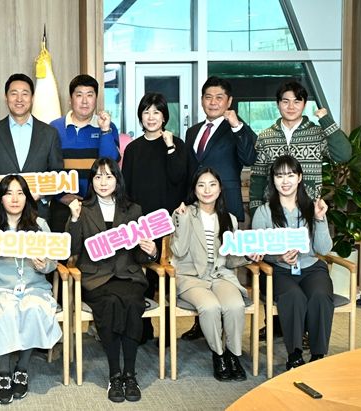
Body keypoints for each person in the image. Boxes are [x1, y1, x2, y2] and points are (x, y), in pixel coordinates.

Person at [67, 157, 157, 403]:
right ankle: (115, 374)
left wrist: (151, 251)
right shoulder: (83, 209)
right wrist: (73, 219)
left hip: (128, 275)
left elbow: (140, 255)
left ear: (118, 179)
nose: (103, 182)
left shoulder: (133, 210)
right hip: (96, 278)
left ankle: (130, 374)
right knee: (111, 304)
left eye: (109, 176)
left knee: (132, 303)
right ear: (91, 181)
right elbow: (71, 250)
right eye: (98, 177)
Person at [0, 174, 62, 405]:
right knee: (4, 310)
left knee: (33, 308)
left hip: (34, 288)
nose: (14, 199)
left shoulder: (40, 225)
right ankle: (3, 372)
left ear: (27, 198)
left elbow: (53, 261)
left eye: (20, 193)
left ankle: (22, 368)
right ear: (1, 199)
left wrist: (45, 265)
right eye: (8, 193)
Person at [182, 76, 258, 341]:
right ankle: (202, 321)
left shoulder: (235, 128)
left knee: (226, 264)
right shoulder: (193, 131)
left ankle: (227, 326)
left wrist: (237, 125)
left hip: (226, 205)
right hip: (196, 205)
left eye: (219, 97)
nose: (213, 102)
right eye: (208, 97)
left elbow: (250, 156)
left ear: (229, 101)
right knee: (198, 262)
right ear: (202, 100)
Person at [170, 167, 259, 382]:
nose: (207, 190)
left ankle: (233, 355)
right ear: (194, 190)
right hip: (191, 277)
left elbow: (230, 259)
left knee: (234, 305)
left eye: (212, 185)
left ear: (220, 189)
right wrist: (182, 222)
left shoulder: (229, 218)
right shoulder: (183, 213)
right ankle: (218, 354)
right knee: (210, 307)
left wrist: (248, 256)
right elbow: (179, 251)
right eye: (201, 185)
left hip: (220, 275)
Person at [251, 155, 333, 370]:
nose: (285, 181)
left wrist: (319, 219)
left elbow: (323, 249)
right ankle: (294, 354)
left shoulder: (312, 208)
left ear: (300, 177)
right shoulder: (264, 212)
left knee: (320, 295)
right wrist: (278, 257)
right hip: (278, 271)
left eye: (290, 175)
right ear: (273, 180)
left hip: (311, 268)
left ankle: (318, 354)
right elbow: (258, 249)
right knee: (294, 297)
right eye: (279, 176)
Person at [122, 93, 188, 344]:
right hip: (142, 223)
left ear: (164, 117)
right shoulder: (133, 149)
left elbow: (179, 177)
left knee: (169, 277)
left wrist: (170, 147)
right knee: (144, 278)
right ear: (141, 116)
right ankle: (144, 328)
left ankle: (169, 331)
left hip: (169, 222)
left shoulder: (177, 145)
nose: (151, 117)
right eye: (146, 112)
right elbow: (126, 188)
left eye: (156, 112)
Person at [0, 73, 63, 219]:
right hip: (1, 214)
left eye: (25, 94)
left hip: (37, 212)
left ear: (32, 98)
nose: (19, 99)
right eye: (14, 93)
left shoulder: (50, 133)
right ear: (6, 97)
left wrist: (41, 194)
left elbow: (57, 173)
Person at [249, 81, 351, 215]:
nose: (291, 107)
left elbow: (344, 155)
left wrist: (325, 119)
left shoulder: (317, 134)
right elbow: (258, 176)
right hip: (273, 211)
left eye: (297, 101)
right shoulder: (265, 137)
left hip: (309, 210)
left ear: (304, 104)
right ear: (278, 104)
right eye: (285, 101)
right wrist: (255, 209)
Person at [48, 74, 120, 233]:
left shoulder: (108, 127)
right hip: (62, 205)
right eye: (79, 95)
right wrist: (61, 196)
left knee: (94, 247)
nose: (85, 101)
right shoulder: (54, 127)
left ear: (96, 99)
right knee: (63, 246)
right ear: (70, 99)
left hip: (98, 205)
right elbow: (47, 166)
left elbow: (110, 163)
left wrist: (105, 130)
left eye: (90, 95)